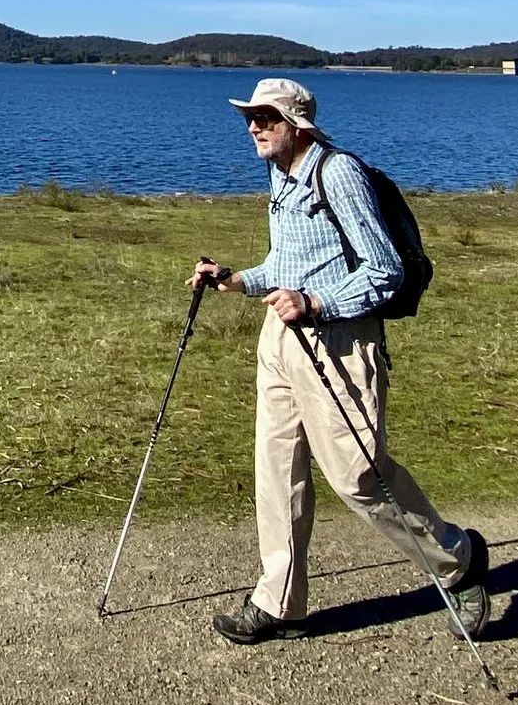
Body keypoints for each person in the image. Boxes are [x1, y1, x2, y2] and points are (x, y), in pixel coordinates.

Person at [190, 77, 490, 644]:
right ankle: (280, 602)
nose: (253, 126)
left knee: (359, 475)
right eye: (248, 117)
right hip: (282, 341)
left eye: (264, 117)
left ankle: (458, 561)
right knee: (277, 472)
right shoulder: (280, 176)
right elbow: (288, 261)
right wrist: (235, 279)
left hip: (340, 342)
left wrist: (317, 301)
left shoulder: (339, 172)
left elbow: (384, 270)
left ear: (296, 123)